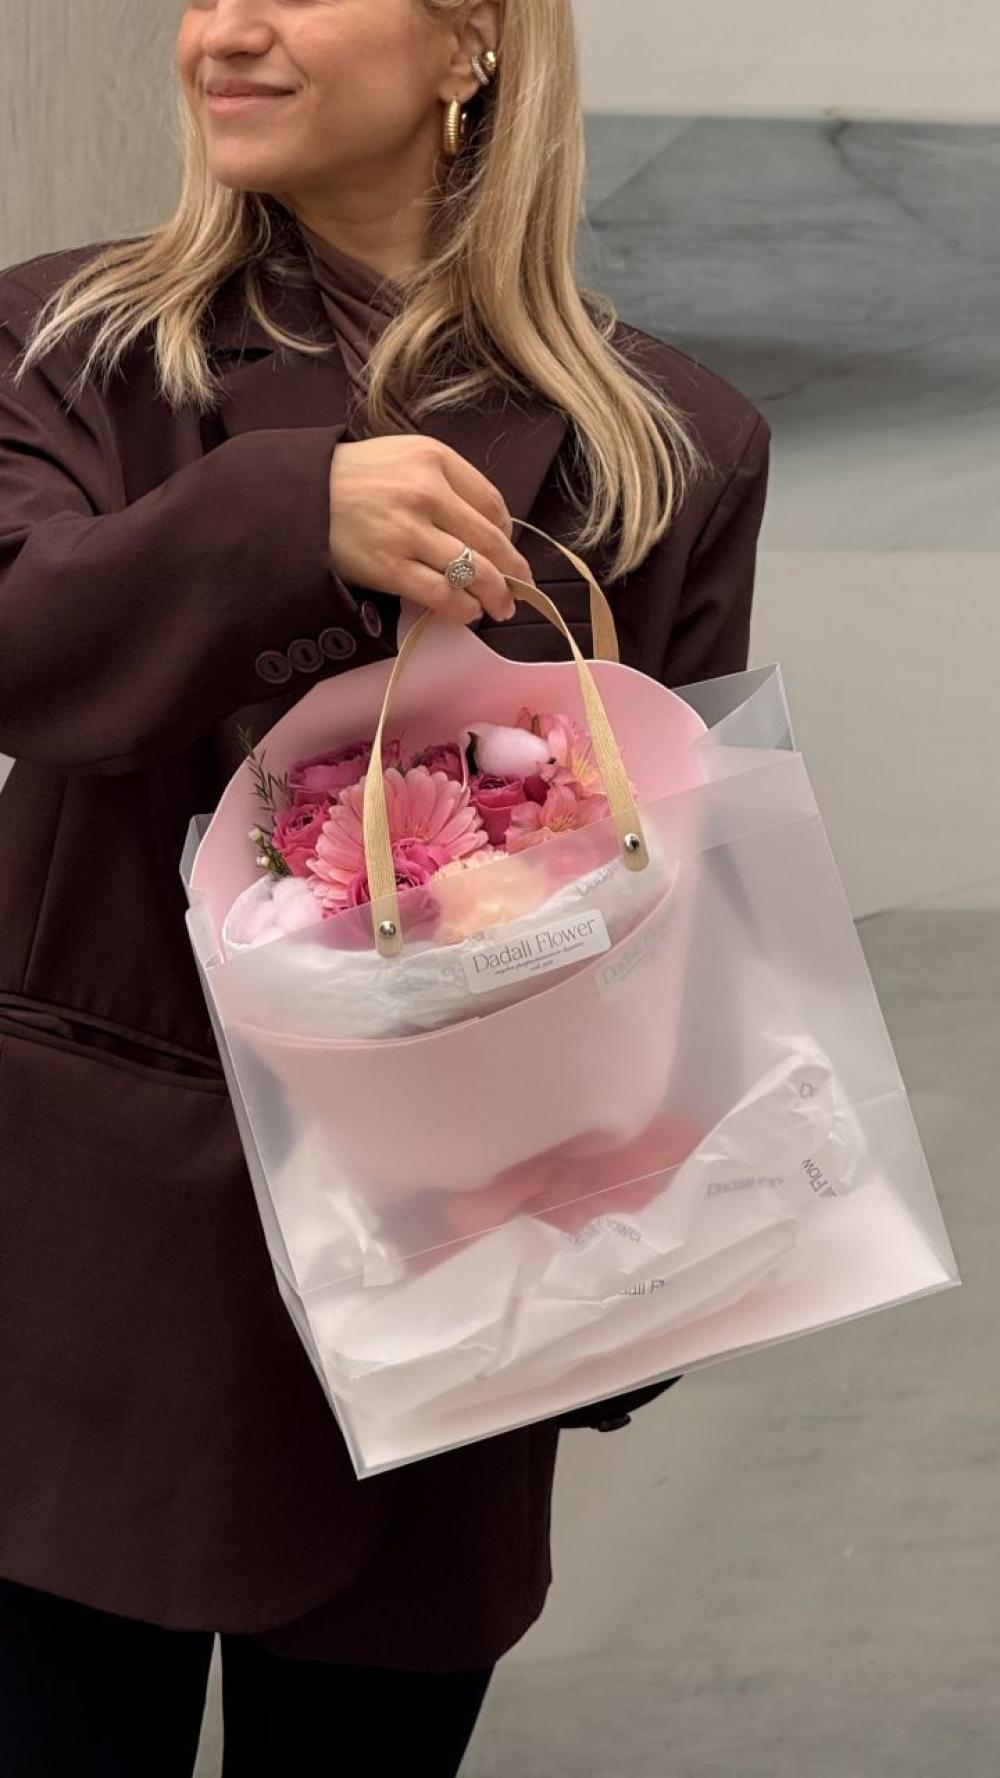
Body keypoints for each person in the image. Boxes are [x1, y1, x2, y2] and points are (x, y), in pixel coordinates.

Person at [0, 1, 771, 1772]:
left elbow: (686, 888)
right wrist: (291, 517)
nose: (224, 29)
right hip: (84, 1281)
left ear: (468, 41)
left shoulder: (669, 444)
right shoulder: (68, 343)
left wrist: (644, 1251)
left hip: (457, 1287)